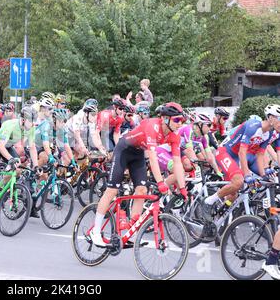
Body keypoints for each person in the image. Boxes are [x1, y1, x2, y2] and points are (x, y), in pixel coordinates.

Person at [90, 102, 187, 247]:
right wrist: (160, 182)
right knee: (112, 190)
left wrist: (183, 188)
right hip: (124, 150)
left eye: (182, 121)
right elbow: (153, 158)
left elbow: (178, 163)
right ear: (166, 118)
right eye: (177, 120)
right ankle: (95, 231)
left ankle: (131, 233)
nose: (180, 124)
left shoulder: (174, 136)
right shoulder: (152, 126)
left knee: (142, 190)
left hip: (138, 154)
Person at [202, 104, 280, 221]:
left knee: (265, 182)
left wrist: (263, 174)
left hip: (239, 155)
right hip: (225, 152)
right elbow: (242, 152)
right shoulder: (253, 126)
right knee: (239, 181)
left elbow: (260, 155)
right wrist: (247, 174)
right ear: (270, 118)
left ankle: (223, 216)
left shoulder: (268, 134)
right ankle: (208, 201)